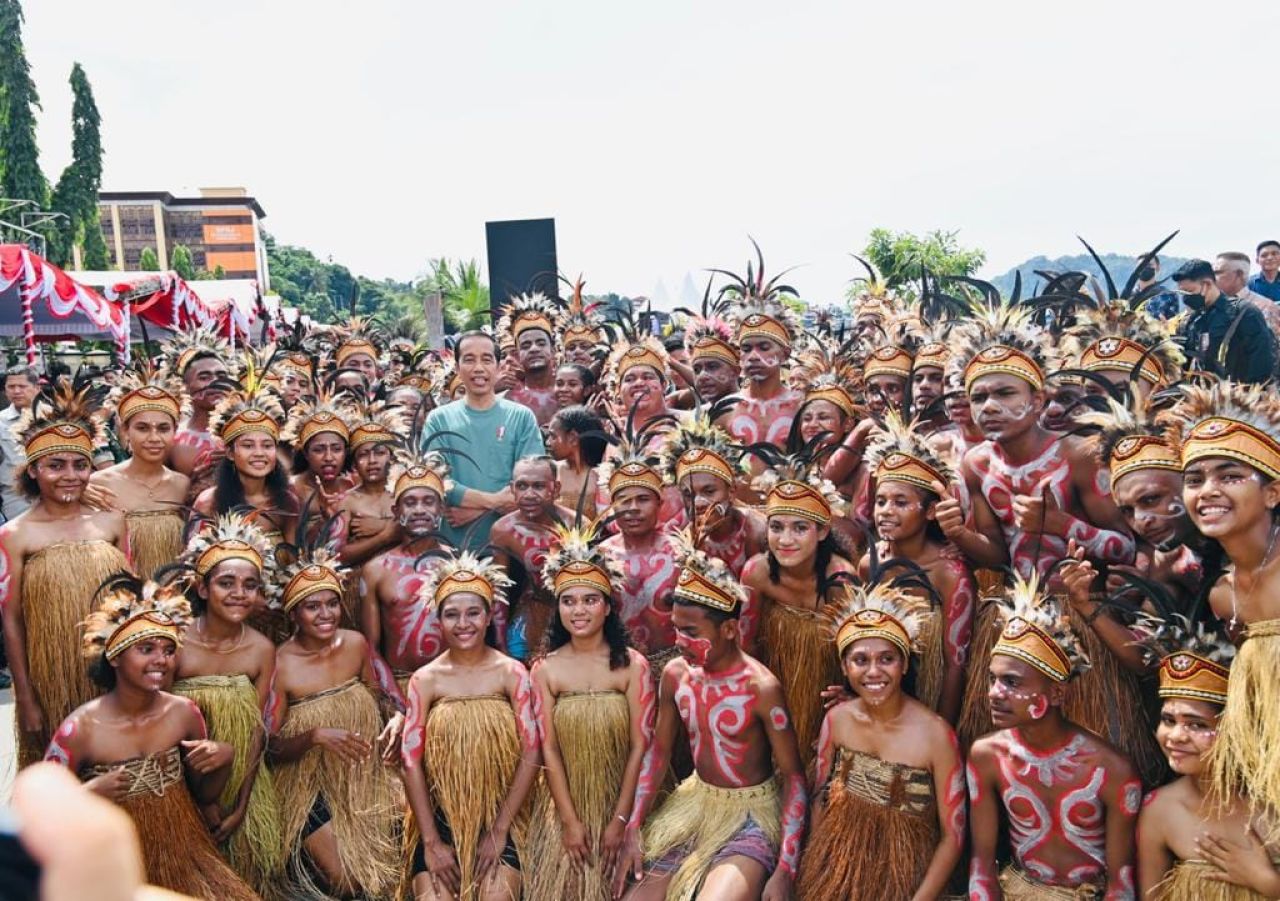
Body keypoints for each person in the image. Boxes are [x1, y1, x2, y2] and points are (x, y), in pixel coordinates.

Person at [617, 531, 806, 901]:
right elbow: (659, 752)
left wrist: (786, 867)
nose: (679, 641)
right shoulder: (675, 675)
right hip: (694, 805)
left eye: (690, 632)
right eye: (675, 628)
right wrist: (634, 825)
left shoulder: (761, 688)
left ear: (730, 629)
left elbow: (794, 777)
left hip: (751, 817)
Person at [45, 573, 258, 900]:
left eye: (169, 650)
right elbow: (39, 815)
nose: (161, 659)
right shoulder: (80, 729)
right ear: (114, 657)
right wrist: (86, 794)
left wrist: (223, 759)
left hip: (185, 856)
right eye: (146, 649)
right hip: (113, 864)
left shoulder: (183, 713)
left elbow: (204, 799)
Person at [967, 573, 1141, 898]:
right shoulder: (986, 756)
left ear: (1057, 694)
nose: (994, 693)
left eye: (1012, 682)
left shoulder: (1112, 769)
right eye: (993, 680)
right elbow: (982, 863)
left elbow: (1121, 880)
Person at [937, 303, 1136, 578]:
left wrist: (1058, 523)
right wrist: (959, 533)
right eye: (978, 398)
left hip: (1084, 607)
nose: (989, 407)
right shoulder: (975, 465)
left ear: (1037, 400)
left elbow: (1128, 549)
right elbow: (997, 556)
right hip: (1019, 610)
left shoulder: (1079, 456)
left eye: (1005, 393)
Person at [797, 581, 965, 899]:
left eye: (887, 659)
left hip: (906, 875)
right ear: (845, 668)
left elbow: (953, 836)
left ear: (903, 665)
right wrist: (817, 869)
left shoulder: (937, 736)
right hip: (839, 866)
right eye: (860, 660)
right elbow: (821, 797)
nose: (874, 671)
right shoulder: (838, 720)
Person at [1167, 381, 1280, 834]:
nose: (1207, 491)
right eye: (1195, 480)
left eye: (1230, 476)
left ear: (1272, 493)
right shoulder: (1219, 594)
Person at [1, 379, 130, 766]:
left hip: (111, 672)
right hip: (49, 677)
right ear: (34, 471)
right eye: (55, 466)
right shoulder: (15, 535)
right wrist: (25, 698)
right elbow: (12, 619)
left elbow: (131, 599)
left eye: (80, 464)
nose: (69, 475)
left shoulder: (112, 523)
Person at [400, 550, 541, 901]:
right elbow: (410, 761)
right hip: (441, 818)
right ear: (438, 618)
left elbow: (532, 749)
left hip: (500, 815)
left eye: (473, 612)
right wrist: (431, 842)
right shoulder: (425, 680)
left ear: (490, 614)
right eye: (452, 614)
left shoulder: (511, 673)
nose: (463, 623)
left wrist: (500, 829)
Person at [525, 521, 654, 900]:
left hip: (622, 800)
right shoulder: (545, 669)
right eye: (568, 600)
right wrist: (569, 822)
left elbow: (639, 747)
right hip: (570, 804)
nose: (578, 610)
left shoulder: (632, 666)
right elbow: (548, 750)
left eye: (589, 600)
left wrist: (620, 820)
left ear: (608, 606)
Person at [269, 543, 402, 899]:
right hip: (309, 789)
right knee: (350, 882)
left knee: (392, 871)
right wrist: (314, 736)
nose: (325, 614)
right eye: (312, 606)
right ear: (293, 613)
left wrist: (396, 720)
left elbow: (384, 698)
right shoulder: (280, 665)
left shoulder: (356, 644)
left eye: (331, 604)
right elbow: (269, 747)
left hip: (364, 778)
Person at [170, 513, 286, 895]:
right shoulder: (176, 643)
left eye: (250, 585)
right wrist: (197, 801)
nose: (239, 593)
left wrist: (242, 804)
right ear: (202, 589)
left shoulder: (261, 650)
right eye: (226, 583)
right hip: (179, 779)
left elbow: (256, 730)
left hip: (239, 782)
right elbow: (158, 720)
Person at [1131, 614, 1280, 898]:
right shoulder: (1159, 810)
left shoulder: (1273, 800)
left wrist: (1266, 882)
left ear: (1236, 729)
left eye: (1197, 724)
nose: (1175, 736)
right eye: (1168, 720)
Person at [739, 444, 857, 767]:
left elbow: (853, 649)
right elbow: (746, 647)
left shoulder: (840, 581)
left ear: (821, 531)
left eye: (799, 528)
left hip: (823, 694)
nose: (785, 540)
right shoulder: (757, 573)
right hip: (774, 686)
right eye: (776, 527)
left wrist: (852, 695)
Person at [862, 413, 976, 724]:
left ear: (929, 512)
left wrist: (941, 730)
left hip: (932, 701)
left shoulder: (950, 574)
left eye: (901, 502)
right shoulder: (870, 564)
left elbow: (956, 663)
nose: (886, 511)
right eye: (881, 501)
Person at [420, 330, 542, 552]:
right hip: (453, 549)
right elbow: (436, 481)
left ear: (497, 366)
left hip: (511, 546)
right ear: (457, 368)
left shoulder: (521, 417)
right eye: (469, 359)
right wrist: (495, 502)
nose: (478, 368)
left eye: (486, 359)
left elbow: (530, 485)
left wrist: (477, 510)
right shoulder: (438, 420)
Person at [360, 447, 454, 696]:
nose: (420, 510)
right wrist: (395, 698)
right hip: (401, 684)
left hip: (452, 687)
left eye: (428, 501)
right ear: (396, 512)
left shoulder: (458, 565)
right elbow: (371, 648)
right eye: (410, 503)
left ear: (441, 509)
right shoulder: (376, 570)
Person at [90, 366, 191, 579]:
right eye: (143, 428)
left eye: (163, 429)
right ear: (125, 431)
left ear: (175, 431)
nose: (154, 438)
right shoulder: (98, 484)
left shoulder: (182, 485)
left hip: (175, 599)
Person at [598, 425, 682, 659]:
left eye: (643, 499)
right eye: (624, 501)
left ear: (659, 503)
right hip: (617, 667)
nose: (633, 508)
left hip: (672, 667)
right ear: (612, 506)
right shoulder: (600, 557)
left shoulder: (682, 554)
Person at [192, 369, 300, 547]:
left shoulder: (286, 502)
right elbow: (193, 560)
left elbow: (293, 560)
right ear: (229, 453)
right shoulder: (209, 502)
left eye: (267, 445)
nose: (259, 453)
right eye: (248, 445)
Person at [658, 405, 765, 579]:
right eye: (688, 495)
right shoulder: (687, 539)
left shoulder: (757, 533)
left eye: (709, 491)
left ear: (731, 492)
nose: (698, 503)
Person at [718, 245, 803, 454]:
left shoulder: (802, 406)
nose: (753, 356)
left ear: (785, 353)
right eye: (746, 348)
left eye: (764, 347)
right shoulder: (724, 409)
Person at [490, 455, 574, 660]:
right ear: (512, 489)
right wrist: (501, 645)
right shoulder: (504, 530)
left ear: (555, 488)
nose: (529, 494)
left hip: (574, 615)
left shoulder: (577, 525)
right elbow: (498, 591)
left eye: (538, 486)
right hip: (531, 610)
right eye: (521, 486)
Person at [1174, 258, 1277, 384]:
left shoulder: (1243, 313)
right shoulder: (1192, 321)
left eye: (1189, 292)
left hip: (1239, 397)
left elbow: (1262, 362)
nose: (1186, 298)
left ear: (1207, 284)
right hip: (1203, 398)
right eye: (1182, 293)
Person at [162, 327, 231, 478]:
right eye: (204, 377)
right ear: (184, 387)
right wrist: (193, 482)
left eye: (221, 375)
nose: (216, 382)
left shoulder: (249, 431)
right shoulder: (171, 439)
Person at [283, 390, 355, 523]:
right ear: (305, 454)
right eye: (319, 450)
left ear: (345, 452)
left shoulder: (351, 486)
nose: (328, 457)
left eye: (336, 449)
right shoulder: (290, 490)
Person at [500, 293, 562, 426]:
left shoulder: (569, 392)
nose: (534, 349)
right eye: (526, 345)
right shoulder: (507, 399)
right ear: (518, 354)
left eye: (541, 343)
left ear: (553, 350)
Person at [544, 404, 607, 516]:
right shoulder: (550, 472)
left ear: (573, 438)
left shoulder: (602, 475)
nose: (547, 442)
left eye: (553, 436)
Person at [0, 364, 38, 522]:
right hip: (15, 498)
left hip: (53, 492)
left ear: (36, 388)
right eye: (11, 387)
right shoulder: (1, 421)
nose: (16, 391)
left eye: (22, 386)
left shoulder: (53, 416)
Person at [1217, 251, 1280, 335]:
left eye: (1218, 272)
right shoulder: (1213, 305)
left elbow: (1272, 344)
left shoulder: (1265, 308)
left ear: (1239, 275)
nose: (1213, 277)